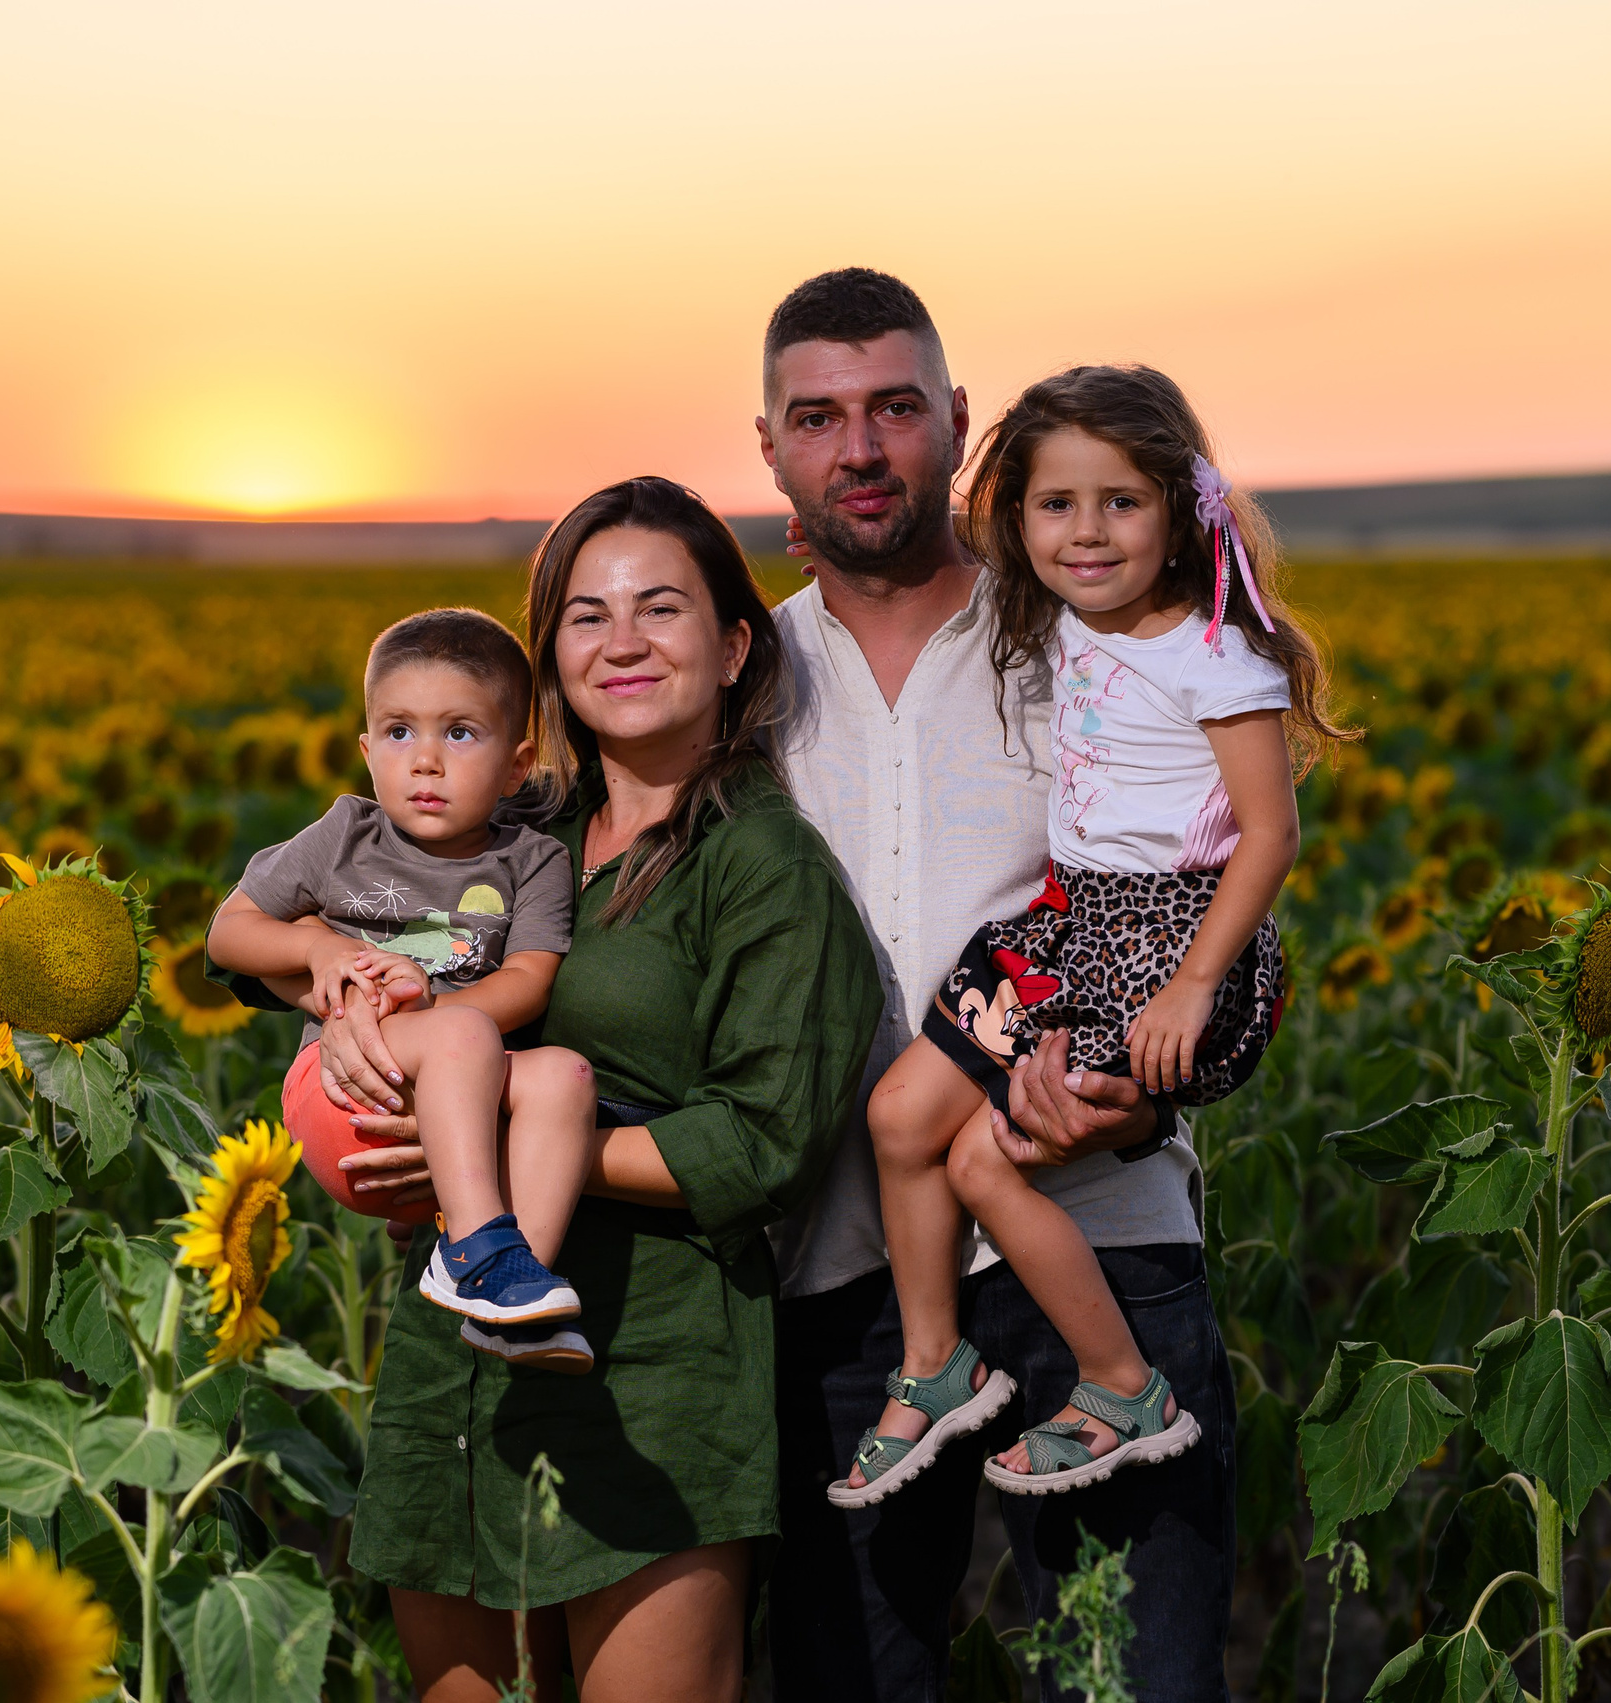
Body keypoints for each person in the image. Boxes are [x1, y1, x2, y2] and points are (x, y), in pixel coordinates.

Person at [757, 269, 1332, 1702]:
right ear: (770, 445)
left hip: (1100, 1242)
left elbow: (1217, 898)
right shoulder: (737, 673)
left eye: (897, 406)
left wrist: (1130, 1102)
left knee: (1133, 1682)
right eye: (818, 417)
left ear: (958, 425)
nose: (863, 447)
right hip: (843, 1278)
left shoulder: (1084, 637)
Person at [309, 479, 884, 1703]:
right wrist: (335, 993)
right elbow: (314, 929)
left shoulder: (768, 868)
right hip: (449, 1357)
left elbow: (764, 1142)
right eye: (585, 614)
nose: (621, 639)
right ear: (548, 662)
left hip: (650, 1365)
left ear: (734, 646)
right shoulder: (512, 835)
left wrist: (521, 1138)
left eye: (660, 607)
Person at [835, 363, 1338, 1514]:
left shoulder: (1215, 654)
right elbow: (957, 568)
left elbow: (1268, 834)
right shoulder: (1060, 617)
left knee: (975, 1160)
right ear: (1017, 518)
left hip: (1167, 946)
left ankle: (1120, 1384)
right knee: (899, 1115)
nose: (1086, 531)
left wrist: (1191, 989)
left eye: (1120, 501)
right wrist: (849, 556)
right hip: (1070, 924)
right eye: (1055, 504)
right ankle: (933, 1364)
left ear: (1180, 512)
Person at [204, 609, 603, 1368]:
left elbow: (528, 981)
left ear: (517, 765)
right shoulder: (346, 834)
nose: (425, 760)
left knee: (565, 1076)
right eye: (398, 732)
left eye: (459, 733)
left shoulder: (533, 860)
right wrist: (317, 946)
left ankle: (506, 1292)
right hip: (349, 1095)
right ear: (365, 749)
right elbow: (230, 931)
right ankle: (480, 1248)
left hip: (462, 1121)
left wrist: (442, 1009)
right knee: (468, 1036)